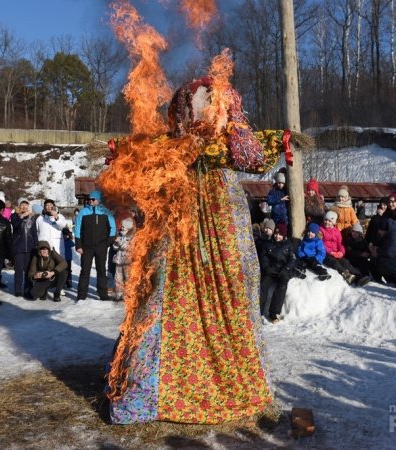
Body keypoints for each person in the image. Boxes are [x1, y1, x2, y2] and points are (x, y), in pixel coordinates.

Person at [101, 73, 278, 424]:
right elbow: (141, 158)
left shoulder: (230, 142)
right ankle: (152, 390)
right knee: (164, 289)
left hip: (222, 220)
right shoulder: (171, 146)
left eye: (211, 103)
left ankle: (230, 379)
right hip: (178, 219)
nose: (205, 109)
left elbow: (258, 157)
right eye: (198, 103)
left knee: (232, 286)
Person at [74, 190, 115, 301]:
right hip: (86, 247)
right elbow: (77, 229)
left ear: (98, 200)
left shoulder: (106, 212)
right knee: (85, 271)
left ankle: (103, 294)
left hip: (101, 246)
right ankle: (81, 296)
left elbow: (113, 228)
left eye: (93, 199)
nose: (90, 201)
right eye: (89, 199)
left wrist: (107, 243)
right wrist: (78, 245)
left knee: (101, 270)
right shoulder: (83, 212)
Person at [259, 222, 297, 323]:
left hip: (282, 271)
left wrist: (286, 269)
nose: (277, 236)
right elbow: (264, 258)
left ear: (284, 236)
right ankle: (258, 311)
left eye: (280, 234)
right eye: (276, 234)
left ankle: (273, 313)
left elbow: (292, 259)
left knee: (282, 286)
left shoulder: (288, 245)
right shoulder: (268, 244)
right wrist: (266, 268)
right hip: (271, 270)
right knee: (263, 286)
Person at [321, 211, 369, 286]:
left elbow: (340, 244)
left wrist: (341, 252)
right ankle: (347, 276)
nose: (327, 222)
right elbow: (320, 244)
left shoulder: (336, 231)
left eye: (329, 221)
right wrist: (331, 252)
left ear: (333, 222)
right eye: (325, 220)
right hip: (326, 254)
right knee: (335, 263)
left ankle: (359, 277)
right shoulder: (321, 230)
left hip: (336, 253)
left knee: (345, 262)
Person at [11, 199, 38, 298]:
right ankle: (18, 289)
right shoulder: (14, 216)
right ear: (19, 206)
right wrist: (21, 216)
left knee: (28, 270)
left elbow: (34, 232)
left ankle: (28, 289)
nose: (24, 207)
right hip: (18, 246)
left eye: (26, 205)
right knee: (18, 269)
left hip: (30, 247)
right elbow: (15, 225)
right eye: (22, 205)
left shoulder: (32, 217)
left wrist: (36, 245)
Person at [111, 218, 135, 301]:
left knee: (127, 278)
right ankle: (119, 294)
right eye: (122, 226)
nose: (122, 228)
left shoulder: (131, 237)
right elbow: (114, 247)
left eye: (124, 226)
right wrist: (116, 243)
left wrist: (120, 243)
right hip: (118, 261)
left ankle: (128, 295)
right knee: (118, 278)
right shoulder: (120, 236)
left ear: (129, 228)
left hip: (127, 261)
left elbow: (128, 248)